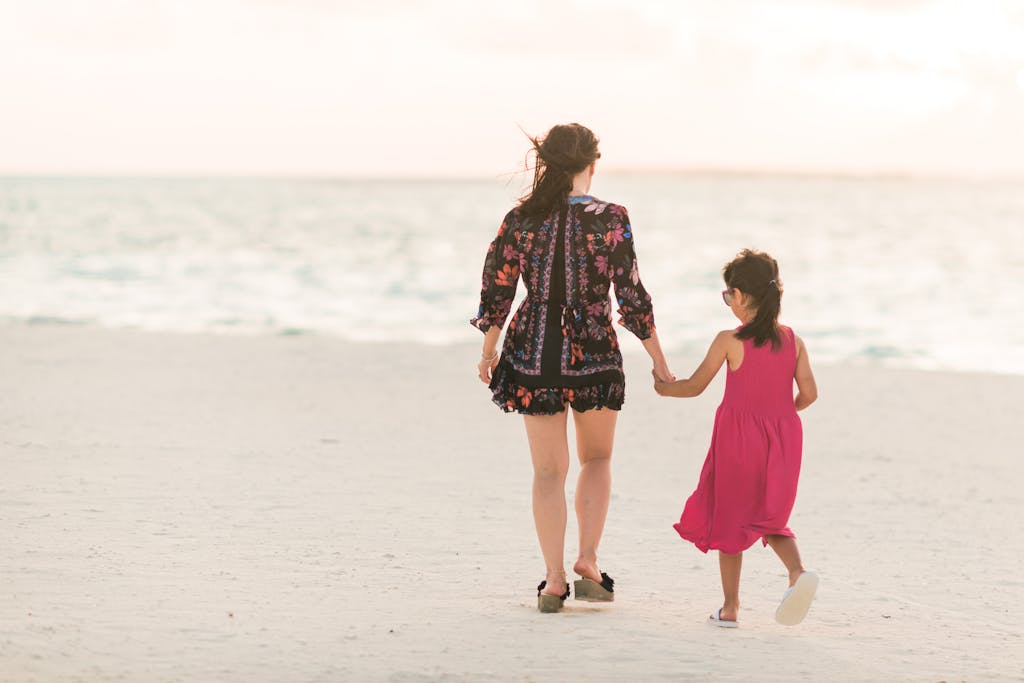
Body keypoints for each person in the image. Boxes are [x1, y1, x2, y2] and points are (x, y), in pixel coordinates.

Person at [471, 123, 674, 613]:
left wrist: (488, 351)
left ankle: (555, 579)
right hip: (594, 350)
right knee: (597, 459)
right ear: (592, 163)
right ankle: (587, 559)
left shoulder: (521, 218)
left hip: (533, 350)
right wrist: (660, 363)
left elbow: (497, 287)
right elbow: (631, 295)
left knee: (547, 471)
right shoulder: (612, 218)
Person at [654, 249, 819, 628]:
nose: (728, 301)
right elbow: (809, 394)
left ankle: (730, 608)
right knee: (772, 516)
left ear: (741, 296)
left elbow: (695, 386)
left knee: (729, 521)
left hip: (737, 443)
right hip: (784, 440)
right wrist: (779, 413)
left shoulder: (730, 340)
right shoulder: (794, 341)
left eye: (729, 295)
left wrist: (663, 388)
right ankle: (797, 573)